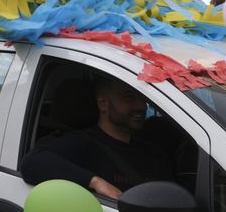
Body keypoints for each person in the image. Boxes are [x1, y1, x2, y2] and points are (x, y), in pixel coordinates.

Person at [20, 77, 174, 200]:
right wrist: (96, 182)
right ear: (103, 103)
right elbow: (31, 163)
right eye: (129, 97)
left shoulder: (154, 154)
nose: (141, 106)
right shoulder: (81, 143)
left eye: (142, 98)